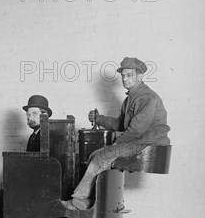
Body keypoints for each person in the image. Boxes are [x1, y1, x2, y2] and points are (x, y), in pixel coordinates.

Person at [63, 57, 170, 210]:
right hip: (139, 140)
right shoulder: (131, 98)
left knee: (104, 155)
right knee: (94, 155)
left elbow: (136, 130)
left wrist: (115, 144)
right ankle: (88, 201)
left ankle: (77, 200)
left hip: (148, 142)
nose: (125, 79)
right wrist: (99, 119)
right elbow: (121, 123)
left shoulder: (146, 97)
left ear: (140, 76)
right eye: (123, 75)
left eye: (129, 75)